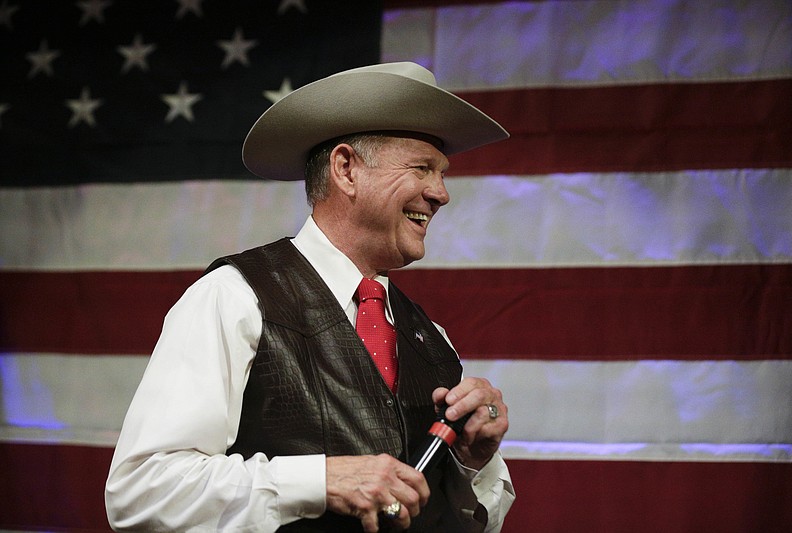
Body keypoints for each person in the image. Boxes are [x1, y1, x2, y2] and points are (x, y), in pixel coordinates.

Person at [105, 62, 515, 532]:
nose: (441, 193)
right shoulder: (234, 298)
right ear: (345, 169)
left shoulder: (431, 338)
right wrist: (321, 481)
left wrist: (471, 462)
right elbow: (140, 491)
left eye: (442, 173)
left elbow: (467, 523)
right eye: (422, 168)